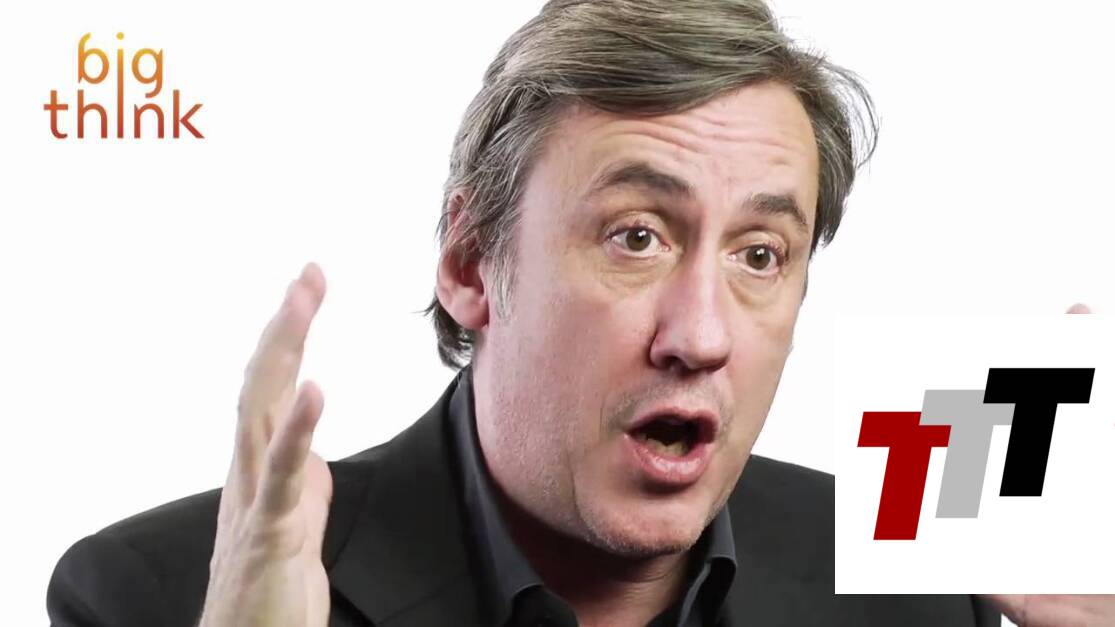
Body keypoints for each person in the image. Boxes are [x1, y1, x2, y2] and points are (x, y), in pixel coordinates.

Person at [44, 1, 1115, 626]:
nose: (699, 335)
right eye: (634, 236)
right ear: (471, 263)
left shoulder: (914, 593)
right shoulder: (156, 594)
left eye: (758, 254)